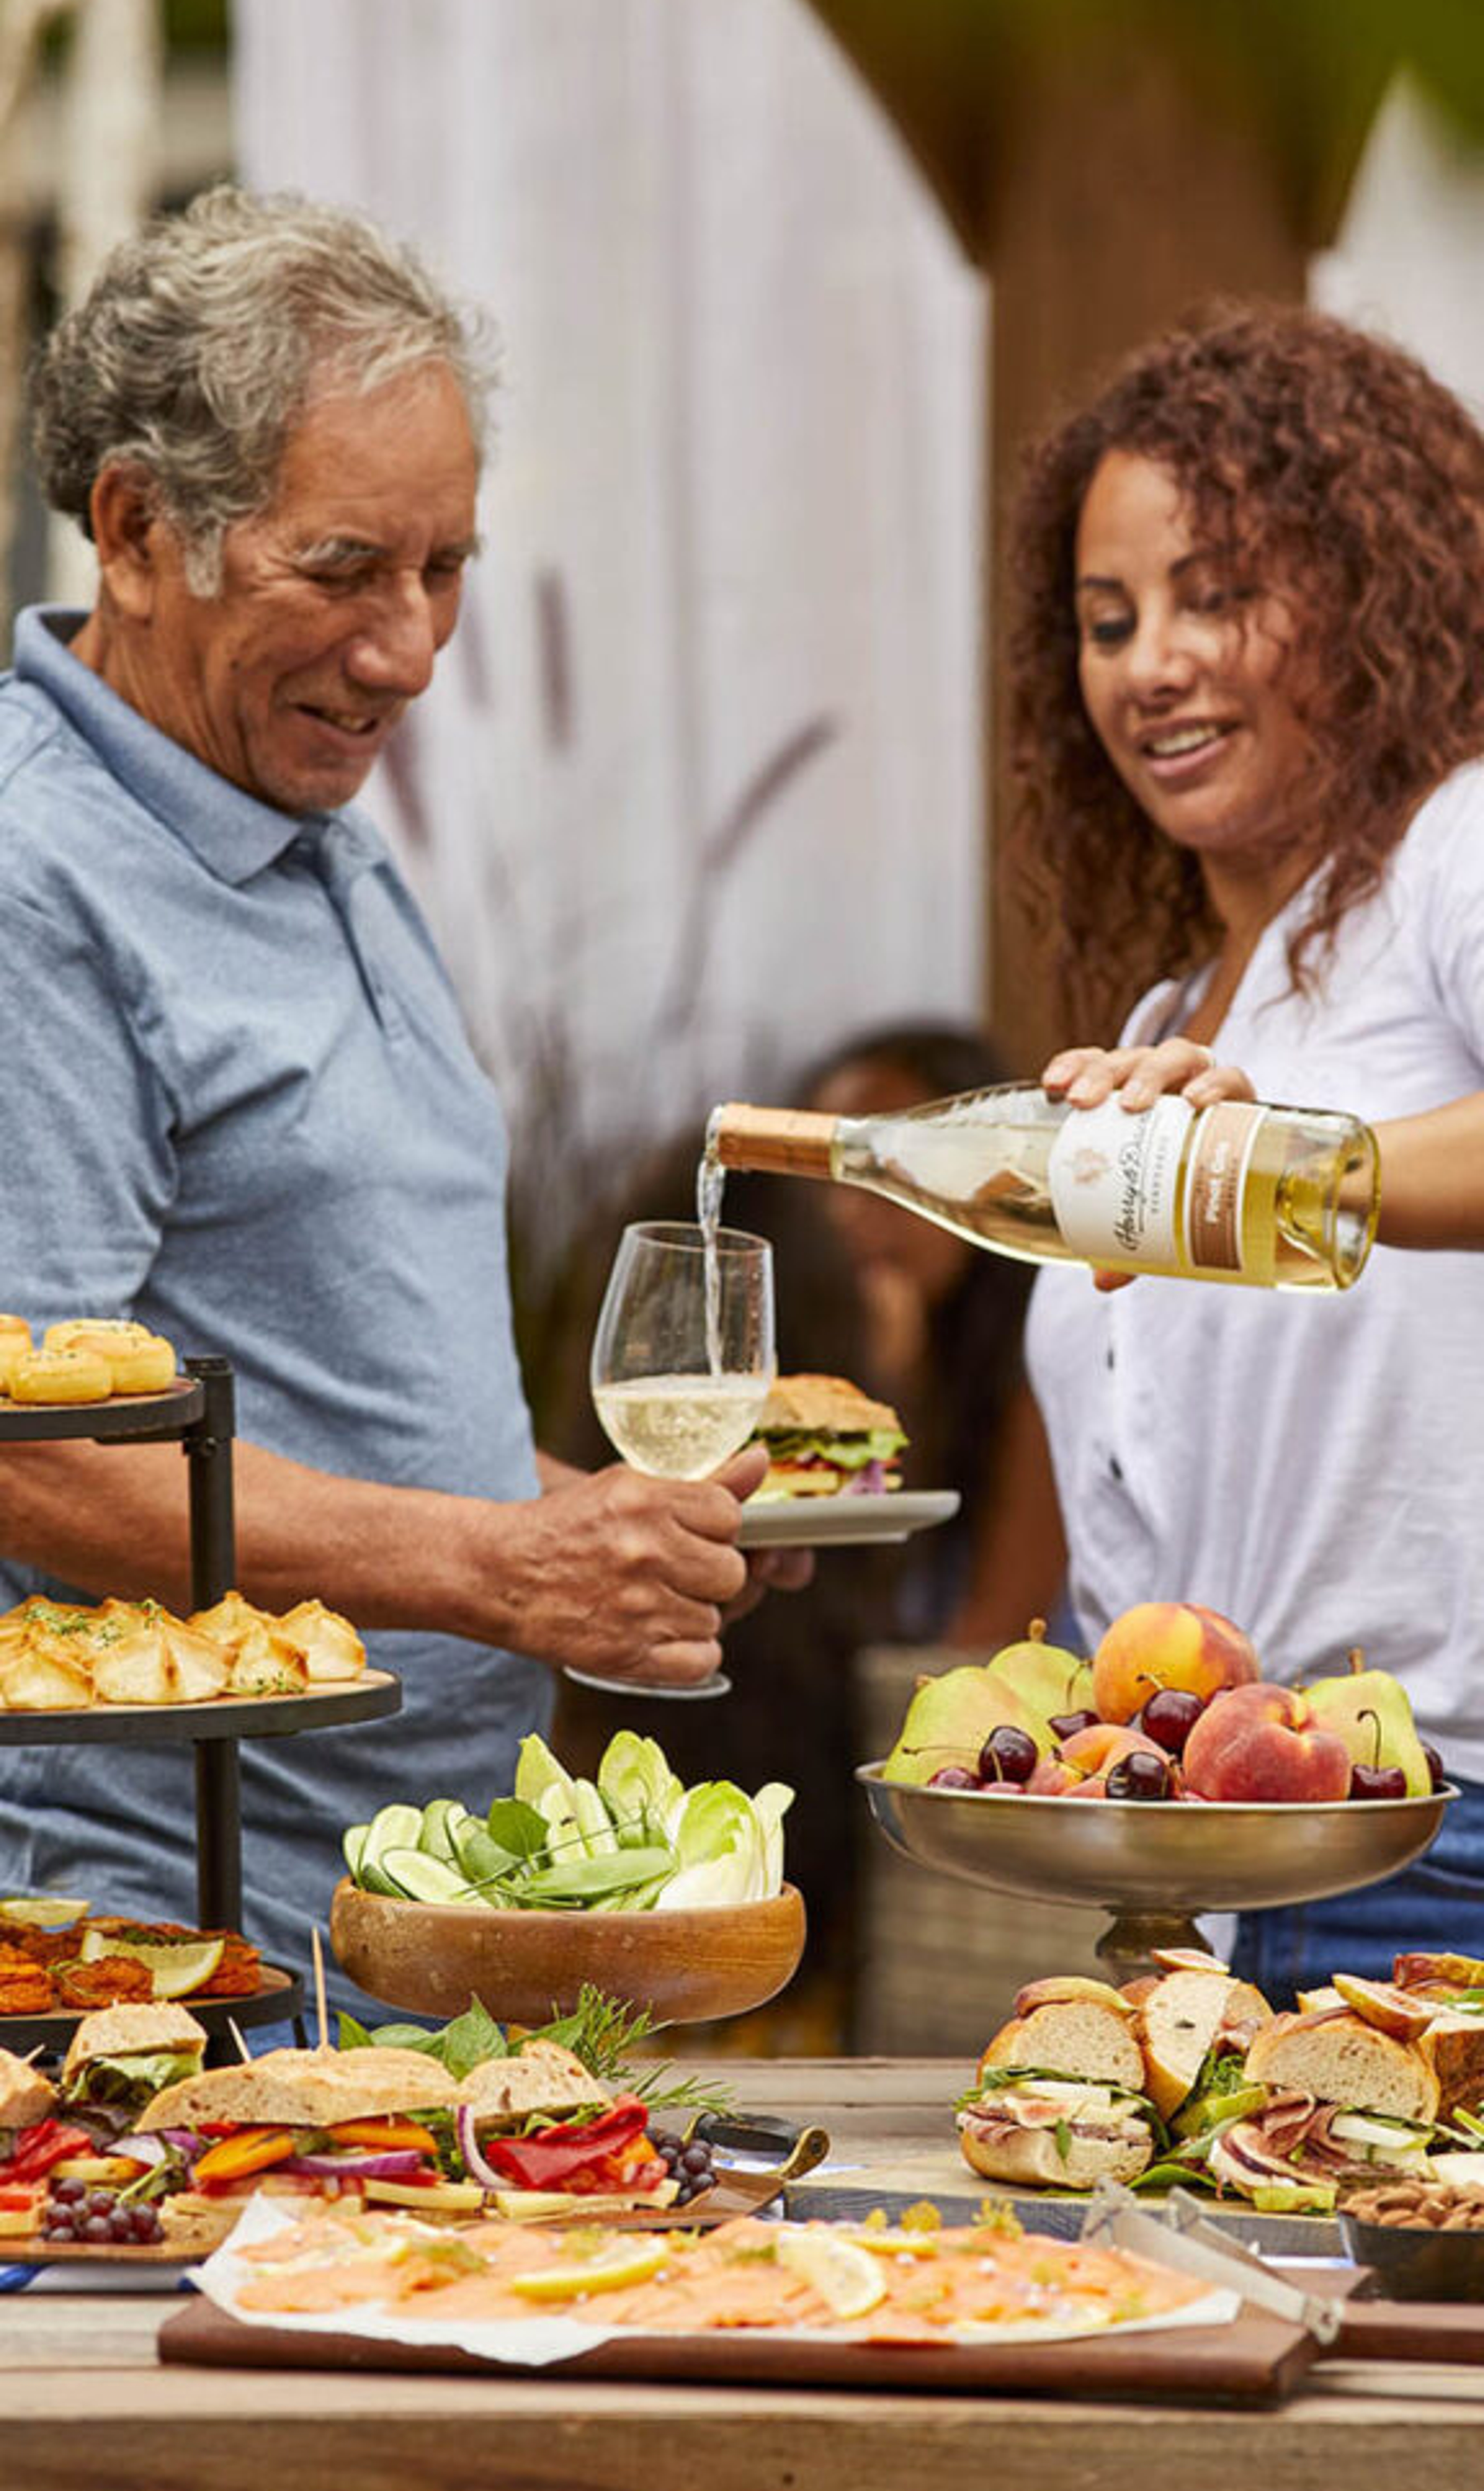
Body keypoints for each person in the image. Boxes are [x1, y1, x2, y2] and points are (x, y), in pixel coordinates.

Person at [0, 187, 805, 1978]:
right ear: (136, 531)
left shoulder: (303, 807)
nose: (412, 652)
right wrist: (502, 1570)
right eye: (346, 568)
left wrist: (613, 1532)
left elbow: (351, 1388)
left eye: (445, 568)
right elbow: (36, 1452)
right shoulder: (32, 878)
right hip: (163, 1933)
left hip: (406, 1900)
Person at [1006, 300, 1484, 1999]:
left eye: (1222, 596)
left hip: (1436, 1838)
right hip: (1196, 1873)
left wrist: (1302, 1166)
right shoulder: (1157, 1028)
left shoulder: (1453, 852)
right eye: (1109, 619)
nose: (1154, 664)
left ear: (1369, 598)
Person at [800, 1023, 1067, 1648]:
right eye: (830, 1178)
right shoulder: (815, 1355)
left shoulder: (1039, 1361)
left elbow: (990, 1632)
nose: (847, 1212)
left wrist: (898, 1392)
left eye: (889, 1174)